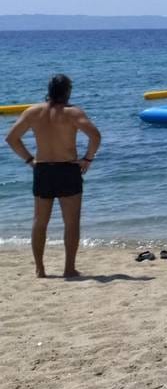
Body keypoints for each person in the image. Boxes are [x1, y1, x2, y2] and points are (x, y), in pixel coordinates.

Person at [5, 74, 101, 278]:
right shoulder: (72, 112)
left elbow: (12, 138)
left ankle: (40, 269)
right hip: (67, 169)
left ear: (49, 90)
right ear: (68, 91)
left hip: (43, 170)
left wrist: (30, 160)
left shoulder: (33, 112)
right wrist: (88, 160)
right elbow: (95, 136)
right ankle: (69, 268)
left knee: (40, 221)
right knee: (71, 222)